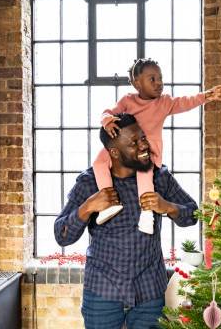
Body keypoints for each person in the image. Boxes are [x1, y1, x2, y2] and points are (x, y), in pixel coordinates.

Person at [54, 113, 198, 329]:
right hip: (103, 293)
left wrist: (167, 206)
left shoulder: (159, 177)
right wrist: (88, 207)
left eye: (143, 138)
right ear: (114, 152)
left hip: (149, 292)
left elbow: (193, 215)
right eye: (133, 143)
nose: (143, 145)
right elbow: (62, 235)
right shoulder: (89, 182)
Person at [94, 57, 221, 231]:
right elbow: (108, 111)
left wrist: (204, 97)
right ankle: (108, 204)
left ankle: (147, 216)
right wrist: (108, 121)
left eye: (160, 78)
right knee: (99, 162)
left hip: (147, 149)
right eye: (152, 79)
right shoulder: (127, 100)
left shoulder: (164, 102)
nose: (158, 83)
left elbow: (185, 102)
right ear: (137, 83)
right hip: (125, 150)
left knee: (144, 173)